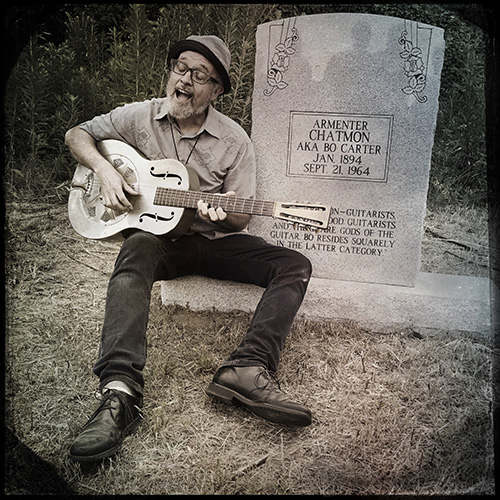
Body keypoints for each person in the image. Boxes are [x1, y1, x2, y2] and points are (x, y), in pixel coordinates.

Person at [65, 35, 312, 463]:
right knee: (135, 251)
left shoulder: (234, 141)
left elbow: (241, 218)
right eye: (180, 68)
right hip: (160, 242)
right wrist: (104, 170)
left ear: (216, 90)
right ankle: (120, 392)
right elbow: (77, 134)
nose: (185, 80)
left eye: (199, 75)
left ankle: (247, 368)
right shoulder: (140, 116)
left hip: (212, 243)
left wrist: (225, 214)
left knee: (294, 265)